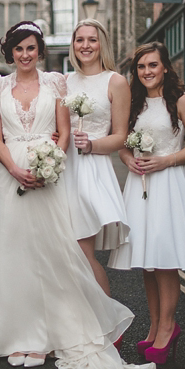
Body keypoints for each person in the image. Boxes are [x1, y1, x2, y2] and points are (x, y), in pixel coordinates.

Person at [0, 21, 165, 369]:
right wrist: (17, 168)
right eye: (19, 48)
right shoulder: (4, 86)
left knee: (63, 253)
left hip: (64, 172)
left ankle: (81, 330)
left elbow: (75, 132)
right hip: (16, 175)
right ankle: (20, 334)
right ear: (11, 51)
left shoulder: (62, 82)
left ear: (40, 50)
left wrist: (52, 159)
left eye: (31, 47)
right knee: (16, 253)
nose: (25, 54)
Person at [109, 42, 185, 364]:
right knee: (146, 259)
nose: (147, 72)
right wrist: (128, 159)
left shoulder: (180, 101)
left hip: (168, 184)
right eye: (141, 67)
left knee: (165, 258)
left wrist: (167, 161)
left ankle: (169, 327)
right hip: (140, 186)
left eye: (153, 65)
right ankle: (154, 327)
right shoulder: (134, 103)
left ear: (165, 67)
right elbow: (122, 142)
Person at [64, 20, 130, 296]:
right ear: (73, 45)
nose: (86, 45)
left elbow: (121, 136)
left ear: (102, 43)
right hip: (64, 170)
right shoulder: (64, 81)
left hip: (91, 170)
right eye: (80, 40)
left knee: (82, 251)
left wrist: (91, 145)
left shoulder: (116, 81)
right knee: (64, 253)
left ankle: (109, 324)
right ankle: (78, 324)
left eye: (92, 40)